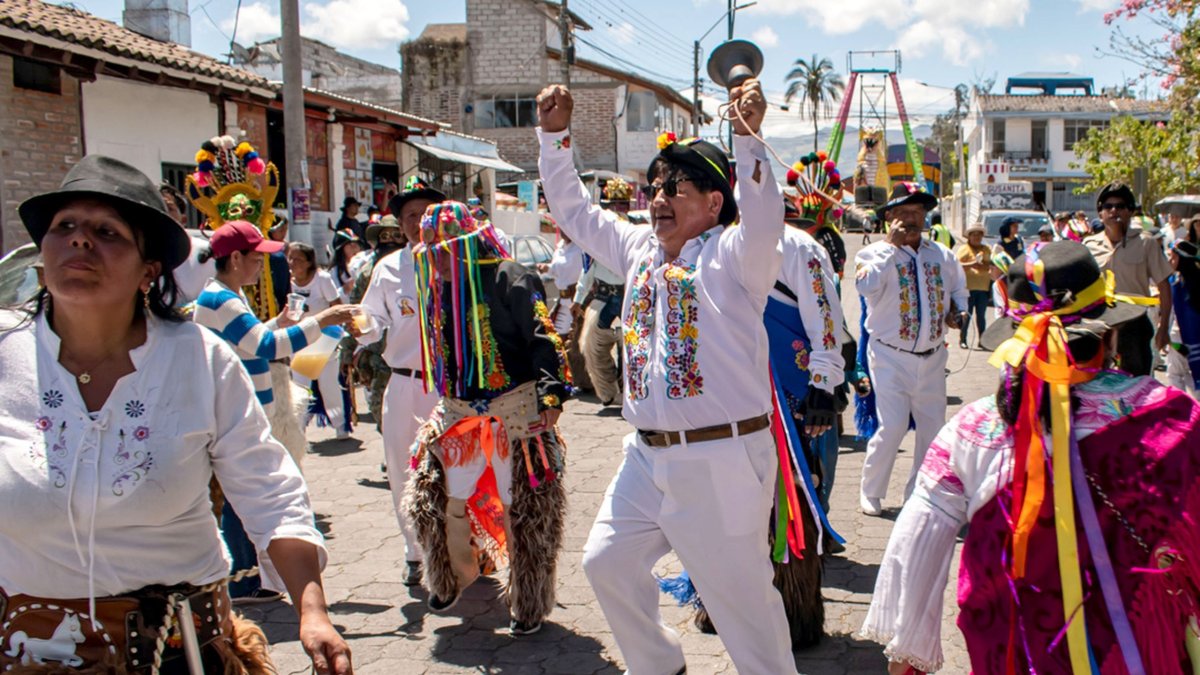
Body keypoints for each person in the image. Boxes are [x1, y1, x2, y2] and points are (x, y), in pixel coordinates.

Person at [2, 155, 351, 673]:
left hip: (178, 650)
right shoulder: (5, 353)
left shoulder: (199, 359)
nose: (80, 240)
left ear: (149, 269)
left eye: (107, 231)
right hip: (30, 655)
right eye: (65, 226)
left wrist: (312, 607)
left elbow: (268, 487)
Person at [539, 78, 801, 674]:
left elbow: (764, 216)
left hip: (724, 460)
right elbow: (575, 213)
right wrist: (555, 139)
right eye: (655, 185)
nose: (659, 197)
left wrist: (748, 139)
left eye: (677, 187)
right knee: (605, 561)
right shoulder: (637, 250)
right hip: (646, 457)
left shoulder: (736, 255)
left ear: (713, 203)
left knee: (745, 610)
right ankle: (659, 665)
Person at [863, 240, 1200, 675]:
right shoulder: (1171, 414)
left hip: (1014, 649)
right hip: (1138, 648)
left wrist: (909, 654)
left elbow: (917, 545)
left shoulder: (971, 429)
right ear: (1109, 333)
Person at [401, 201, 571, 637]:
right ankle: (451, 576)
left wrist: (551, 393)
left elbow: (542, 337)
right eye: (430, 253)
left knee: (525, 510)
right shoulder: (438, 289)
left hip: (512, 416)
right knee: (439, 500)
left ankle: (528, 602)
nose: (435, 262)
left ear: (466, 247)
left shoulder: (510, 277)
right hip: (458, 416)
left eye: (444, 252)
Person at [194, 221, 356, 605]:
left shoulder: (224, 296)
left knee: (239, 495)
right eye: (256, 258)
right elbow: (266, 346)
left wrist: (279, 324)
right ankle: (243, 579)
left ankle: (248, 576)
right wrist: (322, 322)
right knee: (238, 496)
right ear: (235, 258)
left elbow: (251, 340)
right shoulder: (223, 299)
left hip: (239, 411)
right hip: (232, 414)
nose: (262, 267)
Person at [854, 182, 968, 517]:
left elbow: (958, 289)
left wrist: (957, 312)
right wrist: (891, 247)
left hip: (933, 358)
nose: (911, 219)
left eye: (917, 212)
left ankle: (919, 492)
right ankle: (871, 491)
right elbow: (865, 286)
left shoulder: (941, 255)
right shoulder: (872, 255)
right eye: (903, 212)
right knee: (892, 426)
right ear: (889, 217)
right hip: (889, 355)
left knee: (933, 428)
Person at [356, 178, 446, 587]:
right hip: (405, 384)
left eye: (426, 213)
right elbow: (371, 322)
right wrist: (358, 324)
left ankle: (468, 548)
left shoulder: (459, 261)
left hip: (451, 386)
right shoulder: (389, 268)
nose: (418, 222)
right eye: (411, 215)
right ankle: (416, 551)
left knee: (461, 468)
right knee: (403, 469)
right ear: (399, 224)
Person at [1083, 182, 1173, 377]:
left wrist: (1163, 328)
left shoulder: (1146, 243)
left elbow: (1164, 286)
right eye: (1108, 206)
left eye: (1121, 206)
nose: (1114, 210)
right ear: (1100, 214)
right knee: (1097, 388)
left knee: (1137, 389)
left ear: (1130, 212)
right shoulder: (1088, 245)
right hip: (1099, 326)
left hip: (1135, 325)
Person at [340, 213, 405, 434]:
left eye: (396, 237)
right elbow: (356, 313)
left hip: (414, 357)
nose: (390, 242)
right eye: (385, 237)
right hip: (379, 356)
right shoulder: (369, 273)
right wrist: (347, 351)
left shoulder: (421, 267)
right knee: (382, 413)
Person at [288, 242, 353, 439]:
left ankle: (340, 424)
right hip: (299, 337)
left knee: (328, 386)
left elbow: (337, 307)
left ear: (309, 262)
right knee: (299, 385)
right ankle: (298, 428)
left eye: (298, 259)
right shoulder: (288, 281)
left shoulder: (322, 279)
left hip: (324, 337)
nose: (292, 263)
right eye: (290, 258)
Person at [574, 246, 626, 407]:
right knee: (591, 348)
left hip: (628, 298)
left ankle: (630, 394)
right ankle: (607, 392)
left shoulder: (632, 239)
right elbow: (586, 271)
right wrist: (578, 299)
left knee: (630, 351)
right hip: (603, 299)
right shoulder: (593, 244)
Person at [955, 223, 992, 349]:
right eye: (974, 235)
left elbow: (991, 265)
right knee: (966, 316)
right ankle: (963, 340)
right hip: (968, 289)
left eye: (979, 235)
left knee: (981, 317)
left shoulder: (986, 249)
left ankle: (983, 341)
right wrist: (972, 264)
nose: (976, 237)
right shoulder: (963, 249)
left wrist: (983, 266)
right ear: (969, 236)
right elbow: (957, 266)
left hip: (983, 288)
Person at [331, 230, 365, 295]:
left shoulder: (366, 266)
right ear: (341, 250)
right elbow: (331, 298)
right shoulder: (333, 273)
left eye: (356, 244)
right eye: (350, 245)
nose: (355, 248)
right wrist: (346, 288)